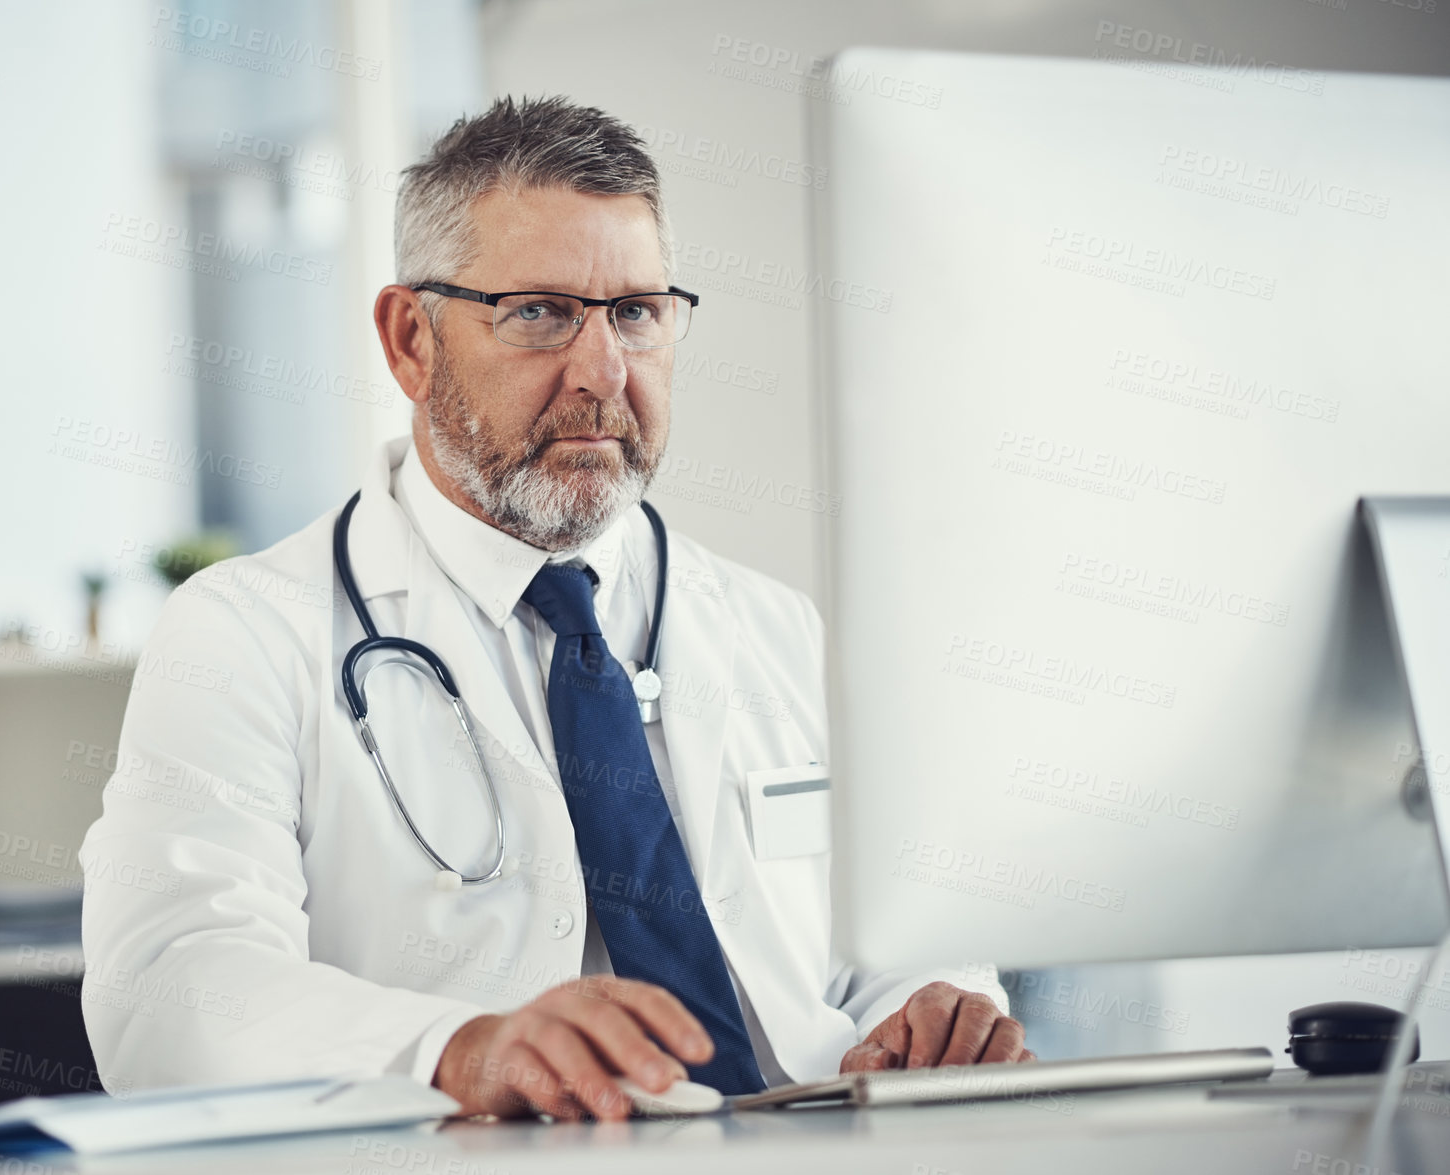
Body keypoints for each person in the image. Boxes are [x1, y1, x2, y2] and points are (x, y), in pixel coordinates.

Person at [79, 95, 1031, 1122]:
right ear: (410, 340)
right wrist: (456, 1047)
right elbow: (169, 991)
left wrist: (941, 1006)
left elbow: (890, 957)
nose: (601, 372)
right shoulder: (246, 633)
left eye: (635, 311)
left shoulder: (773, 626)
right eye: (537, 312)